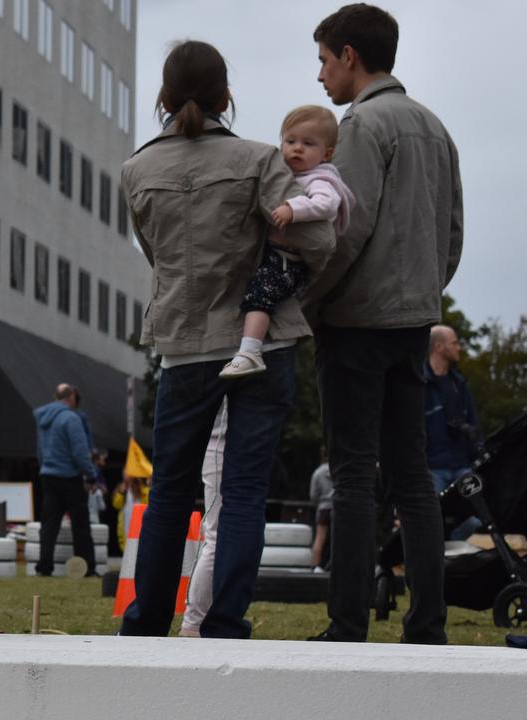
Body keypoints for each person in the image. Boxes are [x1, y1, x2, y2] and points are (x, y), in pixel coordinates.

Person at [118, 40, 334, 639]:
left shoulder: (137, 169)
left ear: (163, 97)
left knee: (168, 489)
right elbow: (317, 243)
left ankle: (144, 626)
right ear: (226, 98)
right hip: (260, 341)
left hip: (184, 341)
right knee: (241, 489)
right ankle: (222, 621)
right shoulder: (262, 160)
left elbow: (155, 253)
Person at [303, 4, 461, 645]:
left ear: (348, 55)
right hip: (413, 322)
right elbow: (452, 235)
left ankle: (347, 625)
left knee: (351, 475)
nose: (319, 76)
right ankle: (427, 624)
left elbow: (345, 228)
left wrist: (307, 302)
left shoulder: (364, 125)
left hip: (356, 320)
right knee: (413, 477)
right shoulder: (434, 125)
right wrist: (424, 293)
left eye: (322, 59)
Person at [221, 105, 356, 378]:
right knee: (251, 294)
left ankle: (250, 351)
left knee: (260, 296)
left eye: (308, 144)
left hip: (289, 262)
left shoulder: (321, 179)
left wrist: (293, 209)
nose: (297, 149)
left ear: (326, 154)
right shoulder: (288, 175)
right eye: (290, 141)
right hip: (276, 255)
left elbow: (326, 205)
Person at [32, 384, 99, 576]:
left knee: (49, 524)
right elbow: (80, 452)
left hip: (48, 474)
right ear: (71, 397)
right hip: (70, 477)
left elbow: (40, 449)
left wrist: (44, 466)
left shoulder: (43, 418)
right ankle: (87, 568)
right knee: (81, 525)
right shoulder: (72, 418)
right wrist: (91, 474)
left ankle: (44, 567)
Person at [180, 402, 228, 638]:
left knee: (219, 538)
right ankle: (193, 621)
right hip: (220, 443)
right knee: (216, 538)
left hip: (222, 442)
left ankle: (200, 619)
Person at [425, 326, 480, 492]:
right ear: (439, 347)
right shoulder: (419, 385)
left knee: (477, 517)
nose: (459, 348)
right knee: (431, 516)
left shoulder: (459, 384)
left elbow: (473, 424)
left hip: (462, 467)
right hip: (431, 470)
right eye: (454, 343)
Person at [309, 457, 333, 569]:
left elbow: (313, 494)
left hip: (323, 508)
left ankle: (315, 566)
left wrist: (318, 504)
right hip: (338, 508)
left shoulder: (318, 472)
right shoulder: (339, 471)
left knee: (320, 538)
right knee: (337, 538)